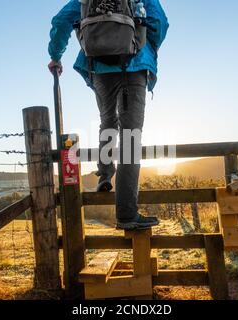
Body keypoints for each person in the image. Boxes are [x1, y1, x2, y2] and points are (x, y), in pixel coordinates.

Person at [48, 0, 169, 230]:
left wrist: (55, 55)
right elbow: (160, 22)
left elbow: (61, 20)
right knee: (131, 137)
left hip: (100, 68)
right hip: (134, 66)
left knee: (107, 120)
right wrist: (146, 46)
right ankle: (126, 214)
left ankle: (104, 173)